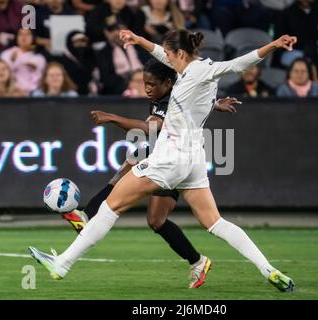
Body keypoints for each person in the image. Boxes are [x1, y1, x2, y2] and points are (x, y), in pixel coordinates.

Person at [29, 28, 297, 292]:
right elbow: (160, 53)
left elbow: (241, 62)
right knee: (216, 222)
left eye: (170, 55)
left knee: (111, 207)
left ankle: (62, 263)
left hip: (171, 156)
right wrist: (136, 40)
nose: (166, 60)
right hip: (194, 159)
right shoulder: (192, 69)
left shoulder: (200, 70)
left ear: (180, 53)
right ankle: (268, 269)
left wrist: (273, 44)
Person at [61, 58, 241, 288]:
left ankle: (86, 216)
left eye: (151, 84)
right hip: (164, 155)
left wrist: (112, 117)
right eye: (144, 83)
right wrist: (215, 104)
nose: (147, 88)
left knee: (130, 175)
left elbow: (152, 127)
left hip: (175, 162)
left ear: (167, 83)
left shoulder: (171, 97)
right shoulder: (170, 91)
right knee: (155, 219)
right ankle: (198, 262)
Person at [0, 28, 47, 95]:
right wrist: (12, 61)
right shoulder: (6, 54)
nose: (24, 37)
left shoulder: (39, 57)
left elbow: (38, 77)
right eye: (20, 34)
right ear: (16, 37)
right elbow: (4, 75)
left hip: (33, 93)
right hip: (12, 92)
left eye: (27, 34)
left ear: (33, 38)